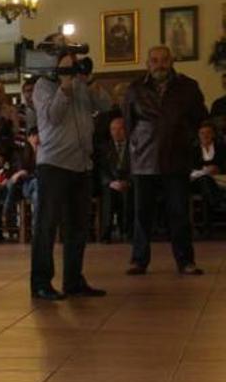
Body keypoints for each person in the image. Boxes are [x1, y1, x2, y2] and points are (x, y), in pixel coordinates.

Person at [31, 35, 111, 300]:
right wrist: (64, 85)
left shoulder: (80, 83)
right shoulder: (42, 86)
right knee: (47, 226)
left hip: (81, 164)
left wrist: (87, 83)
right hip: (53, 165)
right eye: (62, 51)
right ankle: (41, 283)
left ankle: (73, 281)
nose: (69, 55)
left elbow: (107, 106)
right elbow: (53, 117)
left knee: (77, 227)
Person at [124, 45, 208, 275]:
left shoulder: (187, 87)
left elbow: (200, 117)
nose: (159, 64)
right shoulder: (135, 88)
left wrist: (182, 136)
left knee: (179, 212)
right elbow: (129, 123)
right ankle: (139, 260)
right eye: (154, 60)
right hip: (144, 159)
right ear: (147, 64)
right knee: (142, 214)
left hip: (176, 158)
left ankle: (185, 261)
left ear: (171, 61)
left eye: (164, 60)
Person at [97, 115, 132, 243]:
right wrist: (111, 182)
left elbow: (136, 167)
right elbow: (101, 169)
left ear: (126, 130)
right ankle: (106, 234)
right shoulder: (104, 147)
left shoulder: (133, 146)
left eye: (120, 129)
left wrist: (127, 182)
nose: (116, 132)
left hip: (128, 182)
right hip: (110, 183)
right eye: (113, 129)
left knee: (129, 194)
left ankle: (127, 231)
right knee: (109, 195)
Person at [191, 122, 226, 236]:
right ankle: (218, 202)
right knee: (205, 181)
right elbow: (190, 168)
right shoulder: (193, 150)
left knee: (207, 189)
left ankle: (207, 227)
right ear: (198, 135)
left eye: (208, 133)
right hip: (197, 181)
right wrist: (204, 171)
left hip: (219, 180)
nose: (205, 136)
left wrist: (218, 169)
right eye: (202, 133)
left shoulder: (221, 149)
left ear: (213, 135)